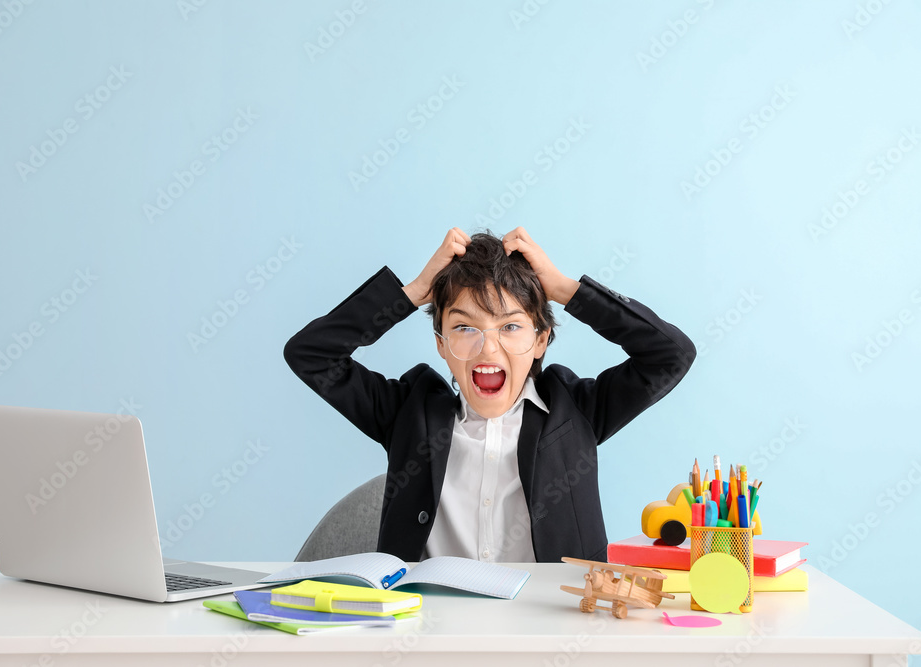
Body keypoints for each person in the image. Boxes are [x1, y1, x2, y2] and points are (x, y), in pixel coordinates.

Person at [284, 227, 696, 563]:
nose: (488, 348)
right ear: (441, 344)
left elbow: (671, 355)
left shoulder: (575, 412)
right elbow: (311, 355)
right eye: (465, 328)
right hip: (429, 631)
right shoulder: (408, 413)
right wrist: (413, 292)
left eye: (511, 327)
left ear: (541, 341)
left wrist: (566, 289)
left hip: (550, 632)